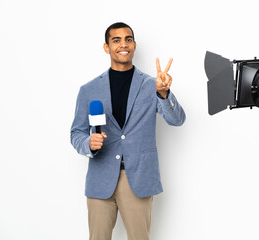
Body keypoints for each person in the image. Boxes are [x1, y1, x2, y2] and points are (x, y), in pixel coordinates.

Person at [70, 22, 186, 240]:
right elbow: (76, 133)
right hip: (101, 178)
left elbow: (177, 120)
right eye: (116, 40)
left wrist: (164, 94)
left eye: (128, 39)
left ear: (134, 45)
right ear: (107, 47)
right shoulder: (88, 89)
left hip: (139, 178)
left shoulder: (153, 84)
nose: (123, 44)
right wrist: (88, 144)